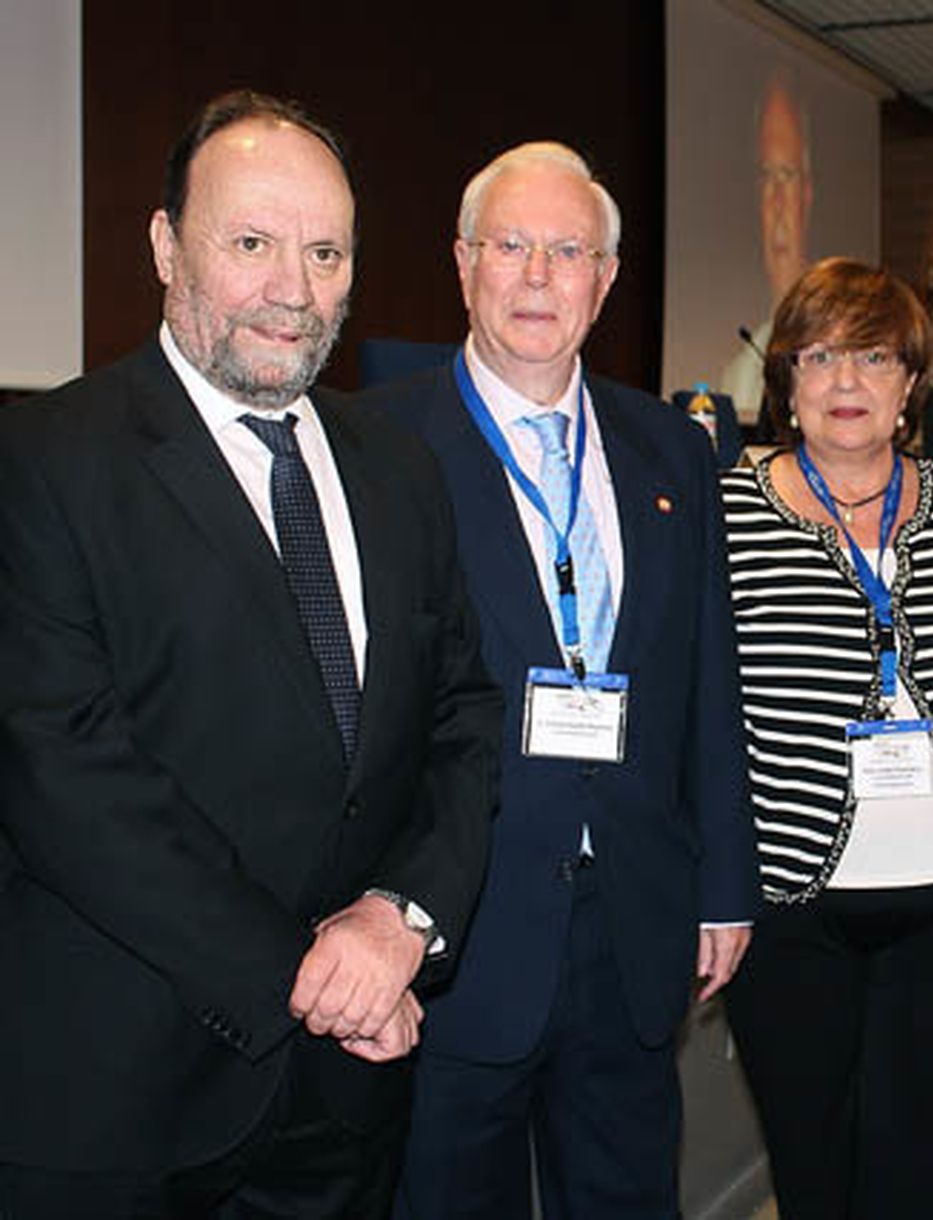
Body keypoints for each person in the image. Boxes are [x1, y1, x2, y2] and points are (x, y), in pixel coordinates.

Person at [0, 90, 501, 1219]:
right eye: (252, 242)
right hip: (117, 1103)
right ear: (166, 245)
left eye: (326, 250)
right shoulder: (43, 461)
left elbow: (463, 718)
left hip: (345, 1102)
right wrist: (317, 979)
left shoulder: (401, 469)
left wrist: (400, 919)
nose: (294, 287)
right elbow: (66, 775)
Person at [377, 142, 756, 1220]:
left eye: (568, 249)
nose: (538, 275)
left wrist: (723, 881)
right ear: (462, 264)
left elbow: (706, 681)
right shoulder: (381, 446)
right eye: (511, 245)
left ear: (606, 276)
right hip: (455, 927)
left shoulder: (672, 451)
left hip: (635, 917)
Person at [719, 256, 933, 1219]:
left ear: (911, 382)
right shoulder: (725, 510)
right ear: (786, 381)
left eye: (873, 357)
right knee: (816, 1166)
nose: (846, 383)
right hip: (788, 900)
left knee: (929, 1166)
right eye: (818, 357)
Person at [719, 74, 813, 423]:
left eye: (786, 176)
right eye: (766, 177)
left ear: (807, 193)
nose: (776, 201)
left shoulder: (835, 350)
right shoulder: (739, 370)